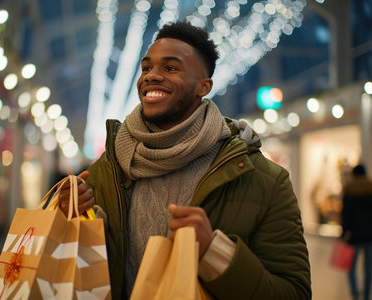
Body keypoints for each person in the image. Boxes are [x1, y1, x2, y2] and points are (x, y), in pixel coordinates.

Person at [65, 21, 311, 299]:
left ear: (203, 87)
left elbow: (294, 292)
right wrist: (78, 220)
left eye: (170, 68)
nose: (152, 76)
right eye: (147, 67)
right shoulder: (108, 167)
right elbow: (90, 274)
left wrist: (214, 253)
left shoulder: (263, 179)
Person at [341, 164, 372, 300]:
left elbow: (345, 214)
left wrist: (343, 232)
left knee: (350, 266)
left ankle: (354, 293)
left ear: (353, 174)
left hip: (353, 235)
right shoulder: (370, 188)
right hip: (370, 235)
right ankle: (366, 295)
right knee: (368, 269)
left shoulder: (349, 189)